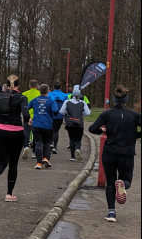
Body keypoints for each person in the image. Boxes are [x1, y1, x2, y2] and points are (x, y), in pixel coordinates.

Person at [88, 86, 142, 222]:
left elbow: (92, 128)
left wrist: (102, 131)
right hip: (127, 153)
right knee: (127, 181)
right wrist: (135, 135)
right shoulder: (134, 115)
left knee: (110, 182)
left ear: (113, 100)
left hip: (110, 152)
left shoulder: (107, 114)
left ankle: (111, 212)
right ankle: (122, 184)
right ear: (126, 100)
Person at [0, 75, 30, 201]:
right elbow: (25, 114)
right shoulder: (22, 98)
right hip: (16, 132)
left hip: (0, 131)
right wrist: (27, 120)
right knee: (13, 164)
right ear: (18, 86)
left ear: (7, 85)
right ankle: (9, 194)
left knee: (1, 162)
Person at [59, 85, 90, 161]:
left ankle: (72, 156)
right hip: (79, 122)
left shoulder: (67, 102)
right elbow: (87, 113)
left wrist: (67, 113)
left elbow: (61, 111)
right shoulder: (82, 103)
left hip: (70, 122)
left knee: (72, 139)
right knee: (78, 139)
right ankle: (78, 149)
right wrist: (81, 114)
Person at [30, 84, 55, 169]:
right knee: (47, 143)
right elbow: (55, 110)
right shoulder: (51, 101)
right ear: (48, 91)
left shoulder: (34, 100)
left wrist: (29, 118)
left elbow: (26, 107)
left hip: (36, 124)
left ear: (39, 91)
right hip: (47, 125)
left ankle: (38, 163)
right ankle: (46, 158)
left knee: (38, 143)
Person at [21, 79, 40, 159]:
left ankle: (26, 146)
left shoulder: (24, 94)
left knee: (26, 131)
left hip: (27, 115)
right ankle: (34, 152)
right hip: (37, 116)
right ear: (37, 86)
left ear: (29, 85)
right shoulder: (39, 94)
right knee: (36, 133)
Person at [49, 81, 68, 153]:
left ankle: (50, 143)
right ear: (61, 87)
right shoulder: (64, 95)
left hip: (51, 114)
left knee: (50, 129)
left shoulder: (50, 94)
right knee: (56, 131)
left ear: (53, 87)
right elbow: (66, 105)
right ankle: (55, 146)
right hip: (60, 115)